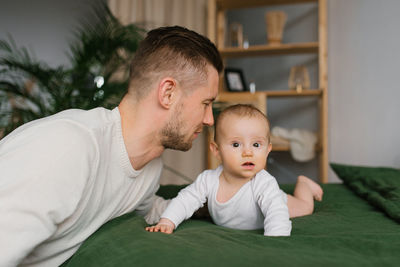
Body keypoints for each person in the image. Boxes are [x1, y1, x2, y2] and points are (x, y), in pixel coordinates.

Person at [0, 26, 223, 266]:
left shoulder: (149, 166)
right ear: (168, 93)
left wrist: (217, 200)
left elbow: (148, 208)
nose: (210, 119)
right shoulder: (67, 148)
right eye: (206, 103)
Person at [146, 104, 323, 236]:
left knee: (305, 207)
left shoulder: (264, 183)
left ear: (268, 149)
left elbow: (277, 214)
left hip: (282, 202)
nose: (248, 152)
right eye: (236, 144)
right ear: (217, 150)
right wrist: (167, 221)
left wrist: (275, 243)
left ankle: (304, 184)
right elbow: (185, 200)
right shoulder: (209, 180)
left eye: (256, 144)